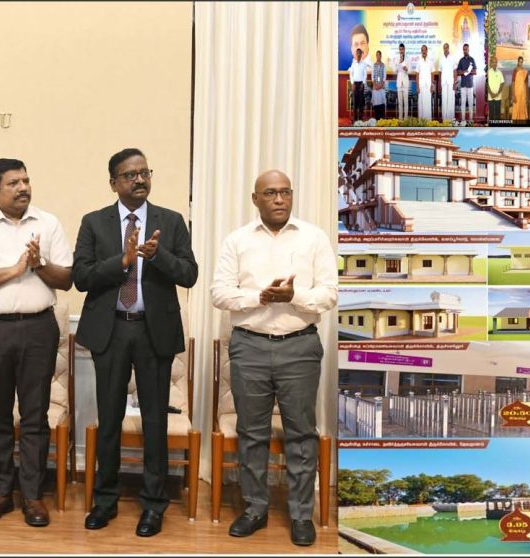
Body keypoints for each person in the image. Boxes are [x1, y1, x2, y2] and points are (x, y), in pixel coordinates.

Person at [74, 148, 198, 537]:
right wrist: (123, 262)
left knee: (154, 421)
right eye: (130, 175)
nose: (140, 179)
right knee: (109, 419)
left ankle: (154, 505)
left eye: (145, 172)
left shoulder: (170, 221)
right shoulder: (94, 222)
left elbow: (189, 274)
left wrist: (158, 257)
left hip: (153, 331)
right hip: (110, 330)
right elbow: (81, 277)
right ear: (114, 182)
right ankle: (105, 501)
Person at [211, 170, 337, 547]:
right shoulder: (237, 240)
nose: (279, 199)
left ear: (292, 196)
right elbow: (219, 293)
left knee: (301, 433)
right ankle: (255, 509)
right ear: (255, 199)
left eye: (285, 192)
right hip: (249, 346)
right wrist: (260, 298)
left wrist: (294, 297)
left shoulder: (314, 237)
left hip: (299, 346)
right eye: (270, 193)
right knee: (252, 433)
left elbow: (329, 293)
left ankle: (300, 514)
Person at [0, 159, 73, 527]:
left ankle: (33, 496)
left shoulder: (48, 223)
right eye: (13, 183)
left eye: (26, 180)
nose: (23, 187)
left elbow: (67, 278)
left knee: (36, 415)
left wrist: (39, 264)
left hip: (39, 328)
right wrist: (15, 269)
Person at [456, 43, 477, 123]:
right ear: (463, 50)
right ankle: (463, 120)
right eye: (464, 49)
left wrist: (469, 72)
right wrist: (464, 72)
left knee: (471, 103)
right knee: (463, 103)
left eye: (466, 49)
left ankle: (471, 120)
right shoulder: (461, 60)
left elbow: (475, 72)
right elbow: (458, 72)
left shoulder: (472, 59)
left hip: (470, 84)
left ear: (468, 50)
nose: (465, 51)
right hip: (463, 85)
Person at [348, 48, 370, 123]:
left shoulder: (364, 63)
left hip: (361, 84)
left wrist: (363, 83)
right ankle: (355, 119)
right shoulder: (353, 63)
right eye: (357, 53)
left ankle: (360, 119)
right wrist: (352, 83)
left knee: (361, 102)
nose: (358, 54)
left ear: (361, 54)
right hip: (355, 84)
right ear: (356, 54)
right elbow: (351, 74)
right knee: (355, 102)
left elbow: (365, 75)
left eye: (360, 53)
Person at [438, 43, 457, 121]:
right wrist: (439, 83)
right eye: (444, 48)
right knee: (444, 100)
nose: (445, 49)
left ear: (448, 48)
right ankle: (444, 119)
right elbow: (440, 72)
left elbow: (455, 71)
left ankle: (451, 119)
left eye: (446, 48)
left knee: (451, 100)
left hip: (451, 82)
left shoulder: (452, 58)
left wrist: (455, 82)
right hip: (443, 82)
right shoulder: (441, 59)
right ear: (443, 49)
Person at [417, 44, 434, 120]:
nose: (423, 51)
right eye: (422, 50)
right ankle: (421, 121)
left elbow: (432, 74)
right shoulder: (419, 61)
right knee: (421, 104)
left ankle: (428, 121)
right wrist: (418, 86)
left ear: (427, 51)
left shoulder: (430, 61)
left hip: (428, 86)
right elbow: (417, 74)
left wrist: (432, 85)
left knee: (428, 103)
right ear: (421, 51)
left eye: (425, 50)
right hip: (421, 85)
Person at [511, 56, 530, 121]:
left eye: (522, 62)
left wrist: (527, 96)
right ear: (518, 62)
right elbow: (513, 83)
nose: (521, 63)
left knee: (522, 109)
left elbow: (526, 84)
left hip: (523, 94)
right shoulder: (515, 70)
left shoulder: (525, 71)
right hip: (517, 93)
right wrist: (513, 95)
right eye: (520, 62)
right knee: (516, 110)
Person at [487, 55, 504, 121]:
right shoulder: (488, 72)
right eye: (493, 62)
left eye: (496, 62)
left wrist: (497, 93)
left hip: (498, 96)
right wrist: (491, 93)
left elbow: (502, 83)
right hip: (490, 96)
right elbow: (486, 84)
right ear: (491, 63)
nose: (495, 64)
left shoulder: (500, 72)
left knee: (497, 114)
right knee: (491, 114)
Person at [370, 50, 386, 120]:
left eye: (379, 55)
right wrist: (375, 85)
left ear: (381, 56)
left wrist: (381, 85)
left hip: (381, 87)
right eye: (377, 55)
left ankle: (382, 118)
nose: (378, 56)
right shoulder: (373, 65)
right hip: (375, 87)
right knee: (376, 102)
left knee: (381, 102)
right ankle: (377, 118)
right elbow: (372, 76)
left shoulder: (383, 65)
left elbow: (384, 76)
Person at [396, 43, 410, 120]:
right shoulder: (396, 58)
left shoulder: (408, 58)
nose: (401, 51)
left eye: (402, 49)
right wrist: (399, 62)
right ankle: (400, 118)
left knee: (406, 102)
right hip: (399, 83)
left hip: (405, 82)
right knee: (400, 102)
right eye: (400, 49)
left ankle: (406, 119)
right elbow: (395, 70)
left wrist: (404, 64)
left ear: (404, 49)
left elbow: (409, 70)